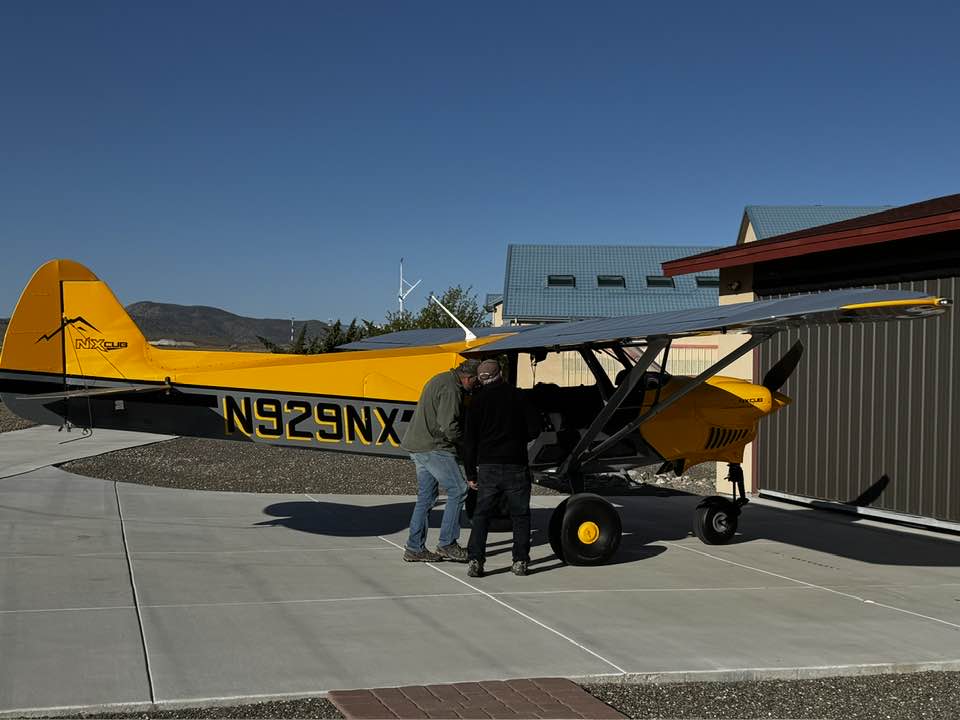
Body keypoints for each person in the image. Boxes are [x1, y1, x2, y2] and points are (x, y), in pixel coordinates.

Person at [463, 358, 541, 577]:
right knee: (520, 515)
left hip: (488, 466)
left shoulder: (477, 401)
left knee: (482, 515)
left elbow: (470, 441)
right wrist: (518, 439)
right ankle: (520, 561)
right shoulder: (519, 396)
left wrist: (470, 472)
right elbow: (534, 429)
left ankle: (476, 560)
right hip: (516, 463)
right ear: (501, 373)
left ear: (481, 378)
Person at [400, 358, 480, 563]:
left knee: (426, 498)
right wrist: (467, 445)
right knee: (459, 489)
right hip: (434, 447)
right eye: (476, 382)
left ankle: (414, 547)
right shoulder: (452, 389)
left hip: (418, 445)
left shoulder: (441, 379)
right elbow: (448, 427)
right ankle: (447, 544)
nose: (476, 386)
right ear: (468, 378)